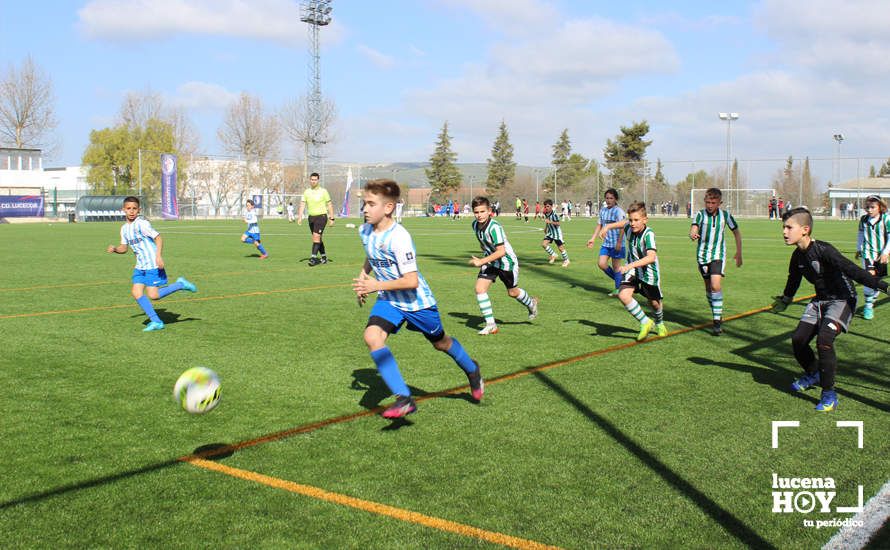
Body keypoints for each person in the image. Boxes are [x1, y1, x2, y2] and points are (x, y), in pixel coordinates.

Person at [352, 179, 483, 419]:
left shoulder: (399, 237)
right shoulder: (365, 231)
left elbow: (411, 281)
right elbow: (371, 254)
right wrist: (363, 278)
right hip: (390, 300)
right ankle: (404, 398)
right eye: (364, 203)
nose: (365, 209)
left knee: (440, 343)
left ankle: (472, 370)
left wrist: (375, 285)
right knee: (372, 336)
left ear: (388, 207)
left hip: (417, 303)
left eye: (371, 204)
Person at [771, 207, 888, 412]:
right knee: (798, 340)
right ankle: (814, 373)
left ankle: (829, 394)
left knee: (824, 340)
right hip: (820, 301)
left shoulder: (824, 250)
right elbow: (793, 280)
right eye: (784, 227)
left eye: (789, 227)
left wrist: (883, 286)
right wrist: (786, 299)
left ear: (805, 229)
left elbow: (853, 270)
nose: (784, 232)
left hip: (843, 299)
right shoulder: (797, 257)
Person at [106, 196, 197, 332]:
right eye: (128, 208)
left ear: (139, 210)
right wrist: (115, 249)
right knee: (136, 292)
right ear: (123, 210)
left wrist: (158, 256)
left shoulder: (142, 224)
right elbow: (124, 248)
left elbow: (158, 237)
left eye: (134, 209)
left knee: (154, 295)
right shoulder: (124, 228)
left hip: (152, 264)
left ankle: (180, 285)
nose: (131, 211)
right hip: (140, 266)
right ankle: (156, 322)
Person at [469, 196, 538, 335]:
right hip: (491, 261)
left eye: (482, 211)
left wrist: (481, 261)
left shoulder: (495, 227)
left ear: (489, 211)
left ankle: (531, 303)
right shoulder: (474, 225)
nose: (479, 215)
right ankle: (491, 325)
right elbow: (483, 243)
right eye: (476, 212)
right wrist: (485, 255)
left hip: (507, 263)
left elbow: (501, 252)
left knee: (512, 292)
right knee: (479, 289)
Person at [599, 201, 666, 340]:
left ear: (644, 220)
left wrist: (630, 265)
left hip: (649, 273)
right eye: (631, 220)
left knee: (654, 303)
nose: (633, 223)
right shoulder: (629, 226)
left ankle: (659, 323)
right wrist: (608, 227)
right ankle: (645, 322)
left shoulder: (648, 234)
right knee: (623, 295)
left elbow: (651, 258)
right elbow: (622, 223)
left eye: (636, 220)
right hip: (633, 271)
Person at [689, 188, 743, 335]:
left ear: (720, 203)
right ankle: (716, 312)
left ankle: (717, 321)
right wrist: (693, 234)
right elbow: (693, 228)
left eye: (713, 202)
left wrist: (739, 252)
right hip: (702, 256)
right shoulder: (700, 214)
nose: (710, 205)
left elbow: (736, 232)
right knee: (708, 288)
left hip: (718, 255)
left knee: (715, 285)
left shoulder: (725, 216)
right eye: (708, 202)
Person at [855, 195, 890, 320]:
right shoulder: (864, 219)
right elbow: (860, 234)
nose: (869, 210)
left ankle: (871, 300)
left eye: (872, 207)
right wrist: (859, 248)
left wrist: (886, 252)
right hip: (868, 253)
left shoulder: (886, 219)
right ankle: (868, 307)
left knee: (877, 281)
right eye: (867, 207)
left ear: (880, 207)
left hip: (881, 255)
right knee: (869, 278)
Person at [587, 188, 625, 296]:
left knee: (616, 267)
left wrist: (619, 242)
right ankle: (623, 282)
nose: (608, 200)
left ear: (615, 199)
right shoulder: (603, 210)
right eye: (607, 198)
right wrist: (592, 238)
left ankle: (618, 289)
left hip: (617, 244)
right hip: (606, 243)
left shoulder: (618, 211)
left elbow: (623, 226)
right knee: (601, 264)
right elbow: (599, 225)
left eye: (611, 198)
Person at [298, 172, 335, 266]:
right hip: (311, 218)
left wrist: (332, 218)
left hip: (321, 217)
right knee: (317, 239)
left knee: (316, 237)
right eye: (312, 179)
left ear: (318, 180)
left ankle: (313, 258)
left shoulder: (323, 191)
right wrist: (300, 216)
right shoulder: (307, 192)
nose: (313, 181)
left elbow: (329, 204)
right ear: (309, 180)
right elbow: (302, 204)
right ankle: (324, 257)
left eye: (315, 180)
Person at [541, 199, 570, 267]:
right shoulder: (546, 213)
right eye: (545, 206)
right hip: (550, 233)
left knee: (560, 248)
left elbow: (558, 223)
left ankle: (566, 260)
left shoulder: (554, 214)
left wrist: (550, 222)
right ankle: (553, 254)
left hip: (557, 233)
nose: (546, 208)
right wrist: (546, 228)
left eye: (548, 206)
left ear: (551, 206)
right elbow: (547, 221)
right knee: (544, 244)